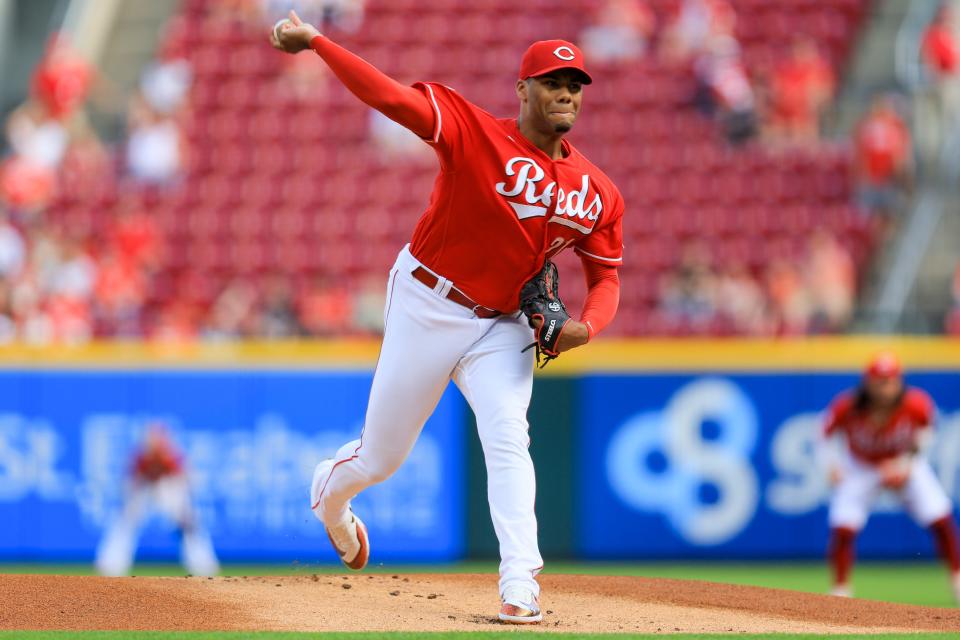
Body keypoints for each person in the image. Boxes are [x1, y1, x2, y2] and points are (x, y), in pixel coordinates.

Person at [271, 10, 624, 624]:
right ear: (523, 89)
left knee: (509, 434)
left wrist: (586, 326)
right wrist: (318, 41)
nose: (566, 92)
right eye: (551, 81)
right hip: (427, 303)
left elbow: (606, 277)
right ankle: (332, 497)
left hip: (505, 324)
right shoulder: (472, 130)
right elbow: (388, 96)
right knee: (381, 459)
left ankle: (521, 585)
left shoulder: (596, 190)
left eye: (575, 84)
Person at [820, 353, 960, 601]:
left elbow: (927, 433)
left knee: (941, 518)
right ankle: (840, 592)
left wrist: (905, 464)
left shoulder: (916, 404)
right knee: (843, 527)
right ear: (868, 383)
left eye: (891, 380)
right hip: (861, 467)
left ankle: (957, 580)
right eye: (880, 381)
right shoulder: (848, 406)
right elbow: (824, 434)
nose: (886, 387)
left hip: (903, 462)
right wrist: (831, 465)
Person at [95, 425, 219, 577]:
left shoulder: (171, 457)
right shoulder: (141, 458)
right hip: (145, 488)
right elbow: (130, 482)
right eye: (150, 440)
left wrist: (182, 505)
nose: (152, 443)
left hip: (169, 487)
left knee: (188, 524)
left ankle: (203, 566)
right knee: (125, 521)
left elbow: (187, 479)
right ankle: (110, 565)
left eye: (156, 440)